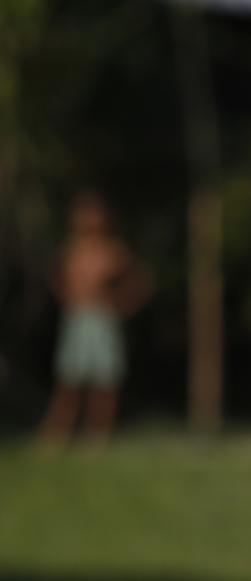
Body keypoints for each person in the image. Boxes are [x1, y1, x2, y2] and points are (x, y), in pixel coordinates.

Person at [37, 190, 151, 445]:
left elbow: (140, 281)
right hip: (77, 319)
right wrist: (66, 296)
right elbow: (55, 277)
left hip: (102, 319)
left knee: (104, 381)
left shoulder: (113, 250)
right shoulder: (71, 248)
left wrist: (121, 304)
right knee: (69, 379)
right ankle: (57, 433)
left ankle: (97, 435)